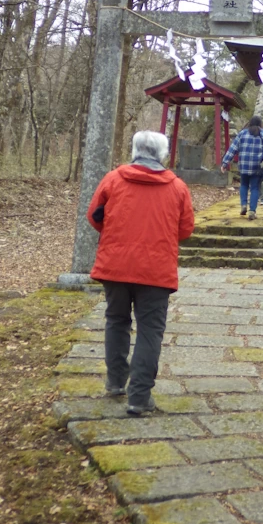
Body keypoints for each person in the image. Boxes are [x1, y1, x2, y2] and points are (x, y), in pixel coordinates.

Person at [87, 131, 195, 414]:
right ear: (162, 154)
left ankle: (114, 382)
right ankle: (139, 397)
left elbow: (94, 216)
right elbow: (185, 230)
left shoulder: (113, 179)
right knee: (150, 331)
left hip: (115, 266)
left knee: (116, 320)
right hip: (156, 270)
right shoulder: (178, 187)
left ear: (134, 150)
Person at [221, 116, 263, 220]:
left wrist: (225, 163)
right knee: (255, 188)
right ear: (260, 124)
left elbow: (233, 149)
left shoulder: (242, 133)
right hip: (257, 166)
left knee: (244, 185)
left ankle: (243, 205)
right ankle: (252, 210)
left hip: (243, 165)